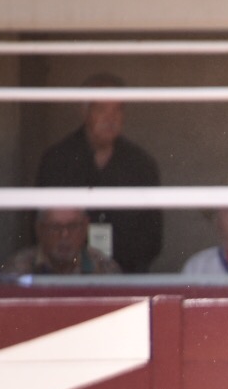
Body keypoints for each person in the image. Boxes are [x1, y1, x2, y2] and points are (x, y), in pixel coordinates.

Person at [34, 73, 163, 273]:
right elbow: (38, 227)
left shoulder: (141, 163)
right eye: (101, 109)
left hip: (126, 277)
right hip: (68, 277)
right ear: (85, 112)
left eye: (117, 110)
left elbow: (153, 236)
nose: (110, 119)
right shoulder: (57, 160)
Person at [1, 206, 122, 275]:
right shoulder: (17, 268)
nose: (64, 235)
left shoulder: (104, 268)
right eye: (55, 227)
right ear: (39, 229)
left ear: (85, 227)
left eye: (73, 226)